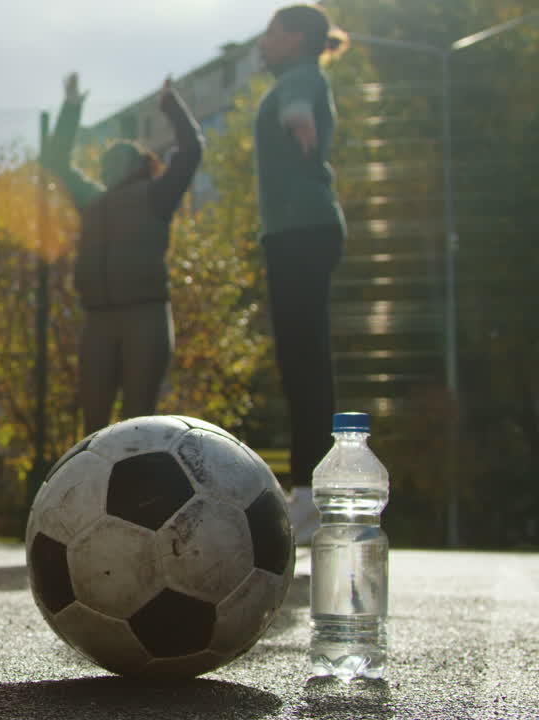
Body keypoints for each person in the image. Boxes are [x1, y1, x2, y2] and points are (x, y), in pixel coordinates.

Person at [42, 73, 204, 436]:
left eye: (117, 159)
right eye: (106, 162)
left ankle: (135, 489)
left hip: (145, 317)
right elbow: (57, 162)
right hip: (98, 321)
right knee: (93, 424)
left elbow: (191, 151)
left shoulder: (157, 196)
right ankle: (93, 492)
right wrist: (70, 107)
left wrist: (172, 106)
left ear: (138, 164)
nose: (108, 166)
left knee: (138, 422)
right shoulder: (92, 200)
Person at [254, 4, 350, 544]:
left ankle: (312, 496)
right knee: (301, 358)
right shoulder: (296, 74)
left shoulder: (302, 77)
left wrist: (296, 117)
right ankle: (312, 492)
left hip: (302, 231)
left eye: (271, 32)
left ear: (295, 38)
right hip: (296, 232)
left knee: (304, 361)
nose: (263, 42)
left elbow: (299, 102)